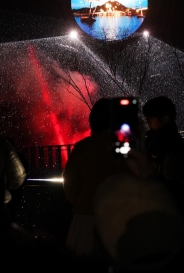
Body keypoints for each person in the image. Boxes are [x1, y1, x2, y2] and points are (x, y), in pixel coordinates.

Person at [62, 98, 131, 258]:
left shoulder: (83, 147)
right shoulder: (127, 149)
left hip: (86, 220)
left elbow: (70, 186)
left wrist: (83, 202)